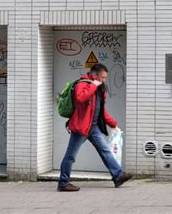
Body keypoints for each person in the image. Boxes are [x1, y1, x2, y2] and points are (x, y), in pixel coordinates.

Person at [57, 63, 133, 192]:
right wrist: (93, 85)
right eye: (102, 77)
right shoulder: (82, 84)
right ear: (94, 75)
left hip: (94, 128)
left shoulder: (99, 88)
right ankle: (63, 183)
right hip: (81, 128)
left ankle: (118, 176)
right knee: (70, 156)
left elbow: (101, 110)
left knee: (105, 151)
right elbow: (81, 98)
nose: (104, 80)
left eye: (105, 78)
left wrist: (113, 124)